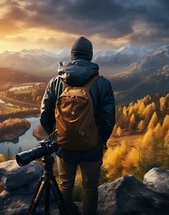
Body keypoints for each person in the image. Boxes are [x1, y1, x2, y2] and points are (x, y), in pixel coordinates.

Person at [40, 36, 115, 214]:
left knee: (64, 187)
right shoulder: (103, 84)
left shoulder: (56, 82)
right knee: (90, 188)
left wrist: (58, 134)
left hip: (64, 146)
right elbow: (108, 119)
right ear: (90, 56)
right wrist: (99, 139)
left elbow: (45, 114)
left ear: (72, 55)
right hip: (91, 147)